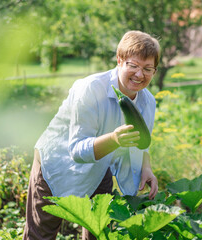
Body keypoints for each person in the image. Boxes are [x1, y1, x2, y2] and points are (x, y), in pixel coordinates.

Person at [23, 30, 160, 240]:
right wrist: (114, 139)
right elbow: (77, 150)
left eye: (147, 69)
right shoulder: (90, 89)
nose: (140, 75)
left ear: (154, 70)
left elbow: (143, 141)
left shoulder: (147, 101)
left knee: (98, 233)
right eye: (133, 65)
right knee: (41, 234)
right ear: (119, 60)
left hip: (99, 166)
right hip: (57, 165)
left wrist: (146, 167)